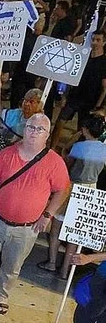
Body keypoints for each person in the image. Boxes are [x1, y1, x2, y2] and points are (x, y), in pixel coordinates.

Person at [0, 114, 70, 315]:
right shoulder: (7, 154)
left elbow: (62, 189)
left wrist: (48, 215)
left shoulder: (54, 162)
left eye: (39, 129)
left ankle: (1, 295)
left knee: (12, 266)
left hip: (27, 227)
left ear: (47, 135)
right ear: (25, 129)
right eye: (31, 127)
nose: (34, 132)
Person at [43, 117, 106, 281]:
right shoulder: (104, 149)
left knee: (56, 226)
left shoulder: (80, 147)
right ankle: (65, 271)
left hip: (72, 187)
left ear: (85, 129)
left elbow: (66, 158)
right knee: (75, 232)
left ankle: (51, 262)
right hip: (91, 188)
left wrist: (74, 135)